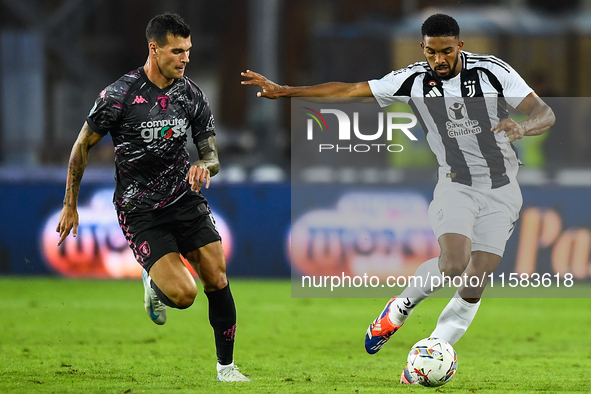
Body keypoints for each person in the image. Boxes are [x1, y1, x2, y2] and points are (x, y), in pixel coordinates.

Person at [242, 13, 554, 384]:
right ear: (423, 48)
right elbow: (349, 90)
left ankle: (429, 355)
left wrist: (522, 126)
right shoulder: (411, 80)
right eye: (432, 52)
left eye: (447, 51)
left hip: (503, 189)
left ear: (461, 47)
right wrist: (288, 91)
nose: (440, 59)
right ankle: (400, 307)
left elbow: (544, 113)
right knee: (455, 264)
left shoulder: (492, 72)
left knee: (475, 280)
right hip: (457, 184)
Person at [56, 13, 251, 383]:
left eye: (188, 51)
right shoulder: (119, 95)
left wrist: (204, 168)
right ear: (154, 49)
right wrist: (70, 203)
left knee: (217, 276)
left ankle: (226, 368)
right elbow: (81, 145)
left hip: (183, 198)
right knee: (184, 296)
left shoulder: (190, 93)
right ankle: (154, 281)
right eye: (177, 51)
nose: (185, 58)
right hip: (140, 210)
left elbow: (211, 156)